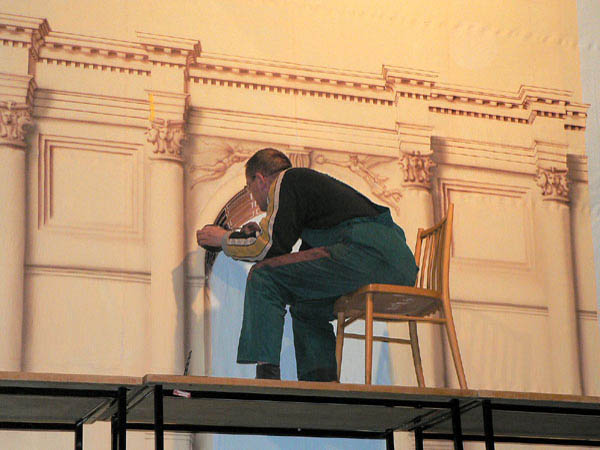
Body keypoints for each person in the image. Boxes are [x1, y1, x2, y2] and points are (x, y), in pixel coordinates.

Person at [196, 148, 418, 382]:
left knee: (262, 276)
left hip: (367, 250)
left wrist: (224, 239)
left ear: (260, 180)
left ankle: (266, 379)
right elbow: (297, 264)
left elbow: (270, 247)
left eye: (249, 188)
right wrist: (247, 237)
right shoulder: (306, 193)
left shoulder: (287, 180)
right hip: (395, 264)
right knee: (305, 306)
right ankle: (321, 385)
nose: (253, 198)